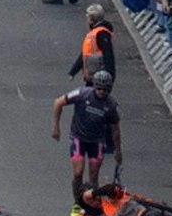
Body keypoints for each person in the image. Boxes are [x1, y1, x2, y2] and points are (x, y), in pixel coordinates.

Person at [51, 70, 122, 205]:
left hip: (97, 141)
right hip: (79, 137)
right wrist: (56, 127)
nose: (102, 92)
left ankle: (92, 203)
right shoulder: (82, 94)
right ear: (94, 86)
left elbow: (115, 129)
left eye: (105, 89)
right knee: (78, 172)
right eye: (99, 88)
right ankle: (78, 203)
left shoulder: (111, 105)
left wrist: (118, 150)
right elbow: (58, 102)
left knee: (93, 175)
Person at [70, 4, 117, 83]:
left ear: (92, 19)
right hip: (93, 74)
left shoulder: (101, 34)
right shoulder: (95, 33)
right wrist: (73, 70)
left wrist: (110, 74)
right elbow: (85, 53)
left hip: (99, 75)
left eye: (87, 16)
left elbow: (108, 55)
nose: (86, 19)